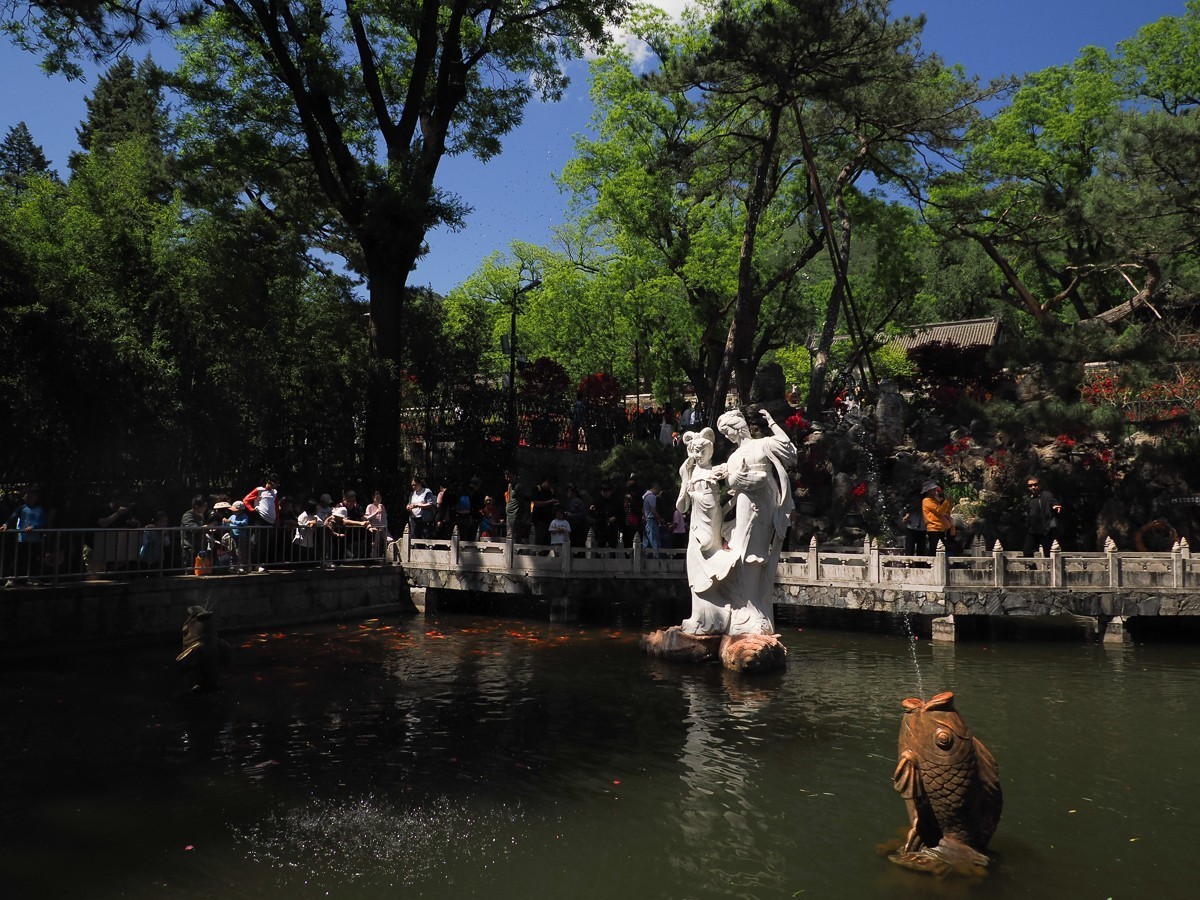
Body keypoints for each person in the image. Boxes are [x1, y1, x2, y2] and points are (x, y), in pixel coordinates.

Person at [712, 407, 798, 634]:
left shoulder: (762, 445)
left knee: (757, 550)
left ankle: (755, 605)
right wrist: (734, 478)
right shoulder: (733, 457)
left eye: (728, 431)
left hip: (765, 500)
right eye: (724, 433)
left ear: (738, 426)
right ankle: (746, 604)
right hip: (744, 502)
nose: (727, 436)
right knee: (742, 548)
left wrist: (772, 423)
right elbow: (731, 483)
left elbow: (788, 449)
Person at [677, 428, 736, 634]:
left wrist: (697, 492)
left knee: (704, 560)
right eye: (695, 451)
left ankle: (714, 615)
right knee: (693, 563)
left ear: (710, 452)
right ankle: (699, 615)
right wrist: (686, 482)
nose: (699, 455)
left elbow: (712, 504)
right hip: (696, 523)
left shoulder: (714, 471)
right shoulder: (691, 472)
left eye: (703, 451)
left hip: (707, 524)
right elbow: (681, 507)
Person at [2, 486, 46, 586]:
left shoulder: (40, 509)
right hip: (22, 538)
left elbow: (43, 522)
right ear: (24, 497)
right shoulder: (21, 508)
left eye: (33, 496)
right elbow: (13, 518)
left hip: (35, 539)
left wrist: (34, 527)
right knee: (19, 558)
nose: (30, 498)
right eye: (28, 496)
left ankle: (33, 578)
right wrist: (6, 524)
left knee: (34, 559)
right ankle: (14, 578)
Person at [1023, 476, 1063, 557]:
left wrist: (1055, 505)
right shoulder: (1029, 498)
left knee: (1049, 553)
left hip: (1045, 530)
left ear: (1039, 485)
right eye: (1030, 486)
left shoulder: (1046, 495)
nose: (1033, 487)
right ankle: (1032, 566)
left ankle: (1051, 566)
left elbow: (1052, 501)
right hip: (1032, 530)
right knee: (1027, 552)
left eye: (1035, 485)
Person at [921, 481, 955, 555]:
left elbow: (943, 511)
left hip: (941, 527)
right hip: (934, 528)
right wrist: (946, 501)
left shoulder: (934, 500)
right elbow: (938, 510)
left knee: (941, 548)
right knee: (935, 549)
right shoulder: (927, 500)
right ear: (929, 491)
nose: (935, 491)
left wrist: (949, 502)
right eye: (933, 490)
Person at [180, 495, 209, 571]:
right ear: (196, 506)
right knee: (190, 570)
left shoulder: (201, 516)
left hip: (199, 547)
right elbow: (193, 528)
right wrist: (205, 527)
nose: (205, 508)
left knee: (199, 570)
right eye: (204, 506)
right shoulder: (187, 516)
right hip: (189, 548)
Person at [504, 469, 531, 543]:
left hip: (516, 515)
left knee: (516, 535)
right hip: (509, 514)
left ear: (514, 476)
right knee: (509, 535)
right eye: (506, 477)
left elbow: (521, 501)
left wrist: (523, 514)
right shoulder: (510, 485)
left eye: (509, 476)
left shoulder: (518, 486)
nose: (507, 478)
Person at [901, 487, 928, 557]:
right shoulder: (912, 501)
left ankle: (920, 563)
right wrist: (906, 515)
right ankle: (908, 562)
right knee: (909, 550)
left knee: (921, 550)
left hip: (922, 527)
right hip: (912, 526)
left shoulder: (926, 501)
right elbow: (905, 510)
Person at [531, 476, 557, 545]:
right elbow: (535, 503)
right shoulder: (537, 489)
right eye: (549, 484)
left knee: (547, 540)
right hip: (538, 519)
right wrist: (549, 502)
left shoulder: (549, 491)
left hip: (548, 519)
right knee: (539, 538)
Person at [293, 498, 321, 563]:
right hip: (301, 543)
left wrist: (316, 522)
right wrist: (307, 524)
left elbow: (321, 523)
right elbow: (300, 529)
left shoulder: (315, 516)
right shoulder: (302, 516)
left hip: (310, 544)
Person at [642, 482, 665, 556]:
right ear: (655, 488)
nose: (658, 493)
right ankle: (657, 559)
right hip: (651, 520)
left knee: (646, 542)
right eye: (658, 490)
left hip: (646, 520)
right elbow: (653, 510)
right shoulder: (652, 497)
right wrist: (660, 519)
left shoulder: (645, 496)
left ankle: (645, 558)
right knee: (655, 542)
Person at [364, 491, 389, 558]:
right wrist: (376, 512)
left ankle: (386, 557)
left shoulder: (382, 506)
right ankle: (373, 558)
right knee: (375, 543)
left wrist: (386, 527)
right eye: (376, 498)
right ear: (373, 498)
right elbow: (367, 518)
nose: (378, 500)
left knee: (389, 541)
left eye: (380, 498)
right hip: (374, 528)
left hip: (383, 528)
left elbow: (385, 518)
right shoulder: (370, 506)